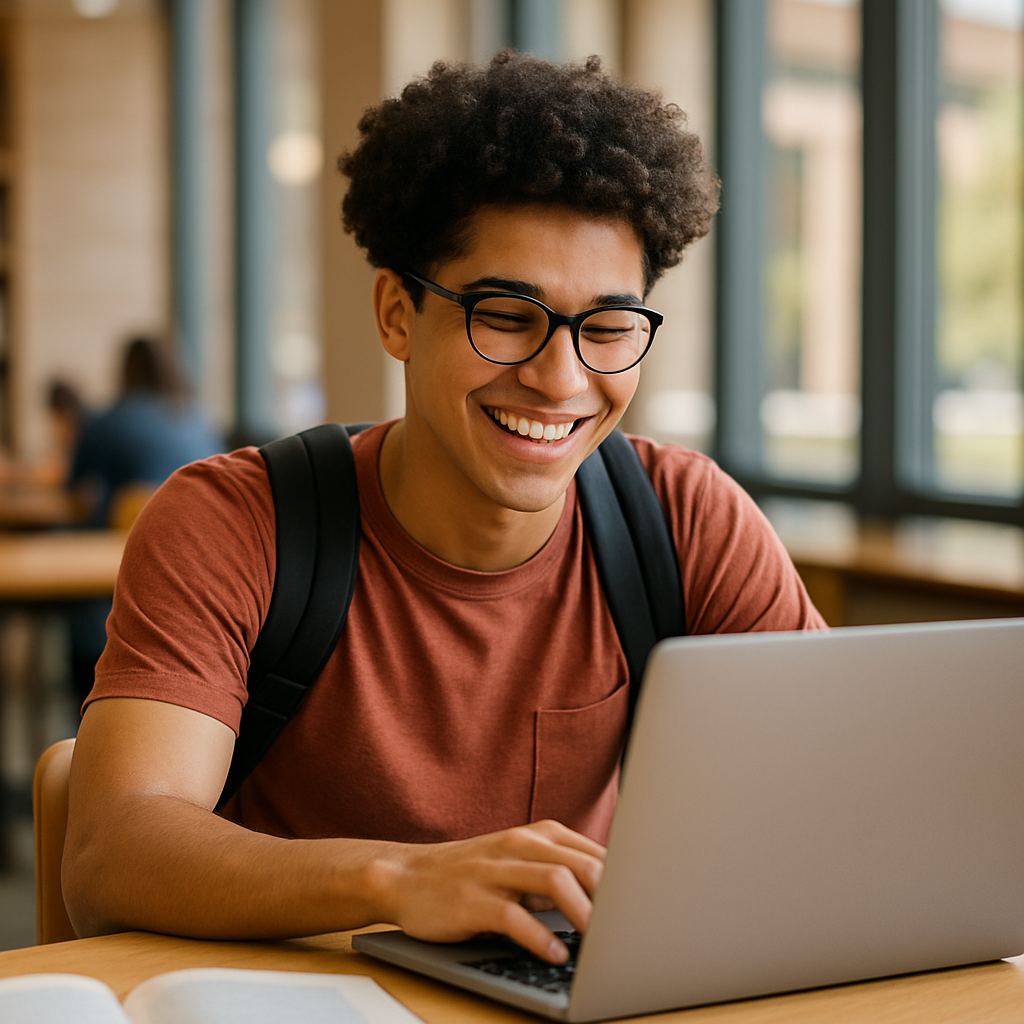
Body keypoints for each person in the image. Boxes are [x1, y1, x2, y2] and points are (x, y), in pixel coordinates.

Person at [63, 53, 824, 963]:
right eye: (507, 315)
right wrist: (399, 881)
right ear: (396, 313)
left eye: (609, 328)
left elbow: (836, 794)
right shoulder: (234, 522)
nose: (561, 379)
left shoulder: (684, 518)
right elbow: (112, 851)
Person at [64, 336, 222, 701]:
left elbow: (75, 492)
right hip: (201, 591)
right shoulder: (197, 420)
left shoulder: (107, 421)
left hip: (118, 592)